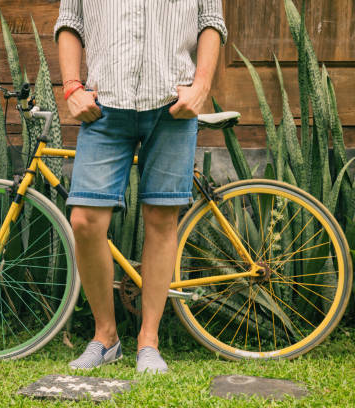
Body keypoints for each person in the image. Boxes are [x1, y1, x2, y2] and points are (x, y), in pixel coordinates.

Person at [54, 0, 227, 374]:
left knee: (162, 220)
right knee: (84, 220)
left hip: (171, 104)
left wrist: (201, 86)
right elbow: (70, 22)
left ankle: (149, 342)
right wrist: (71, 87)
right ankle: (106, 337)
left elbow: (211, 22)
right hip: (105, 105)